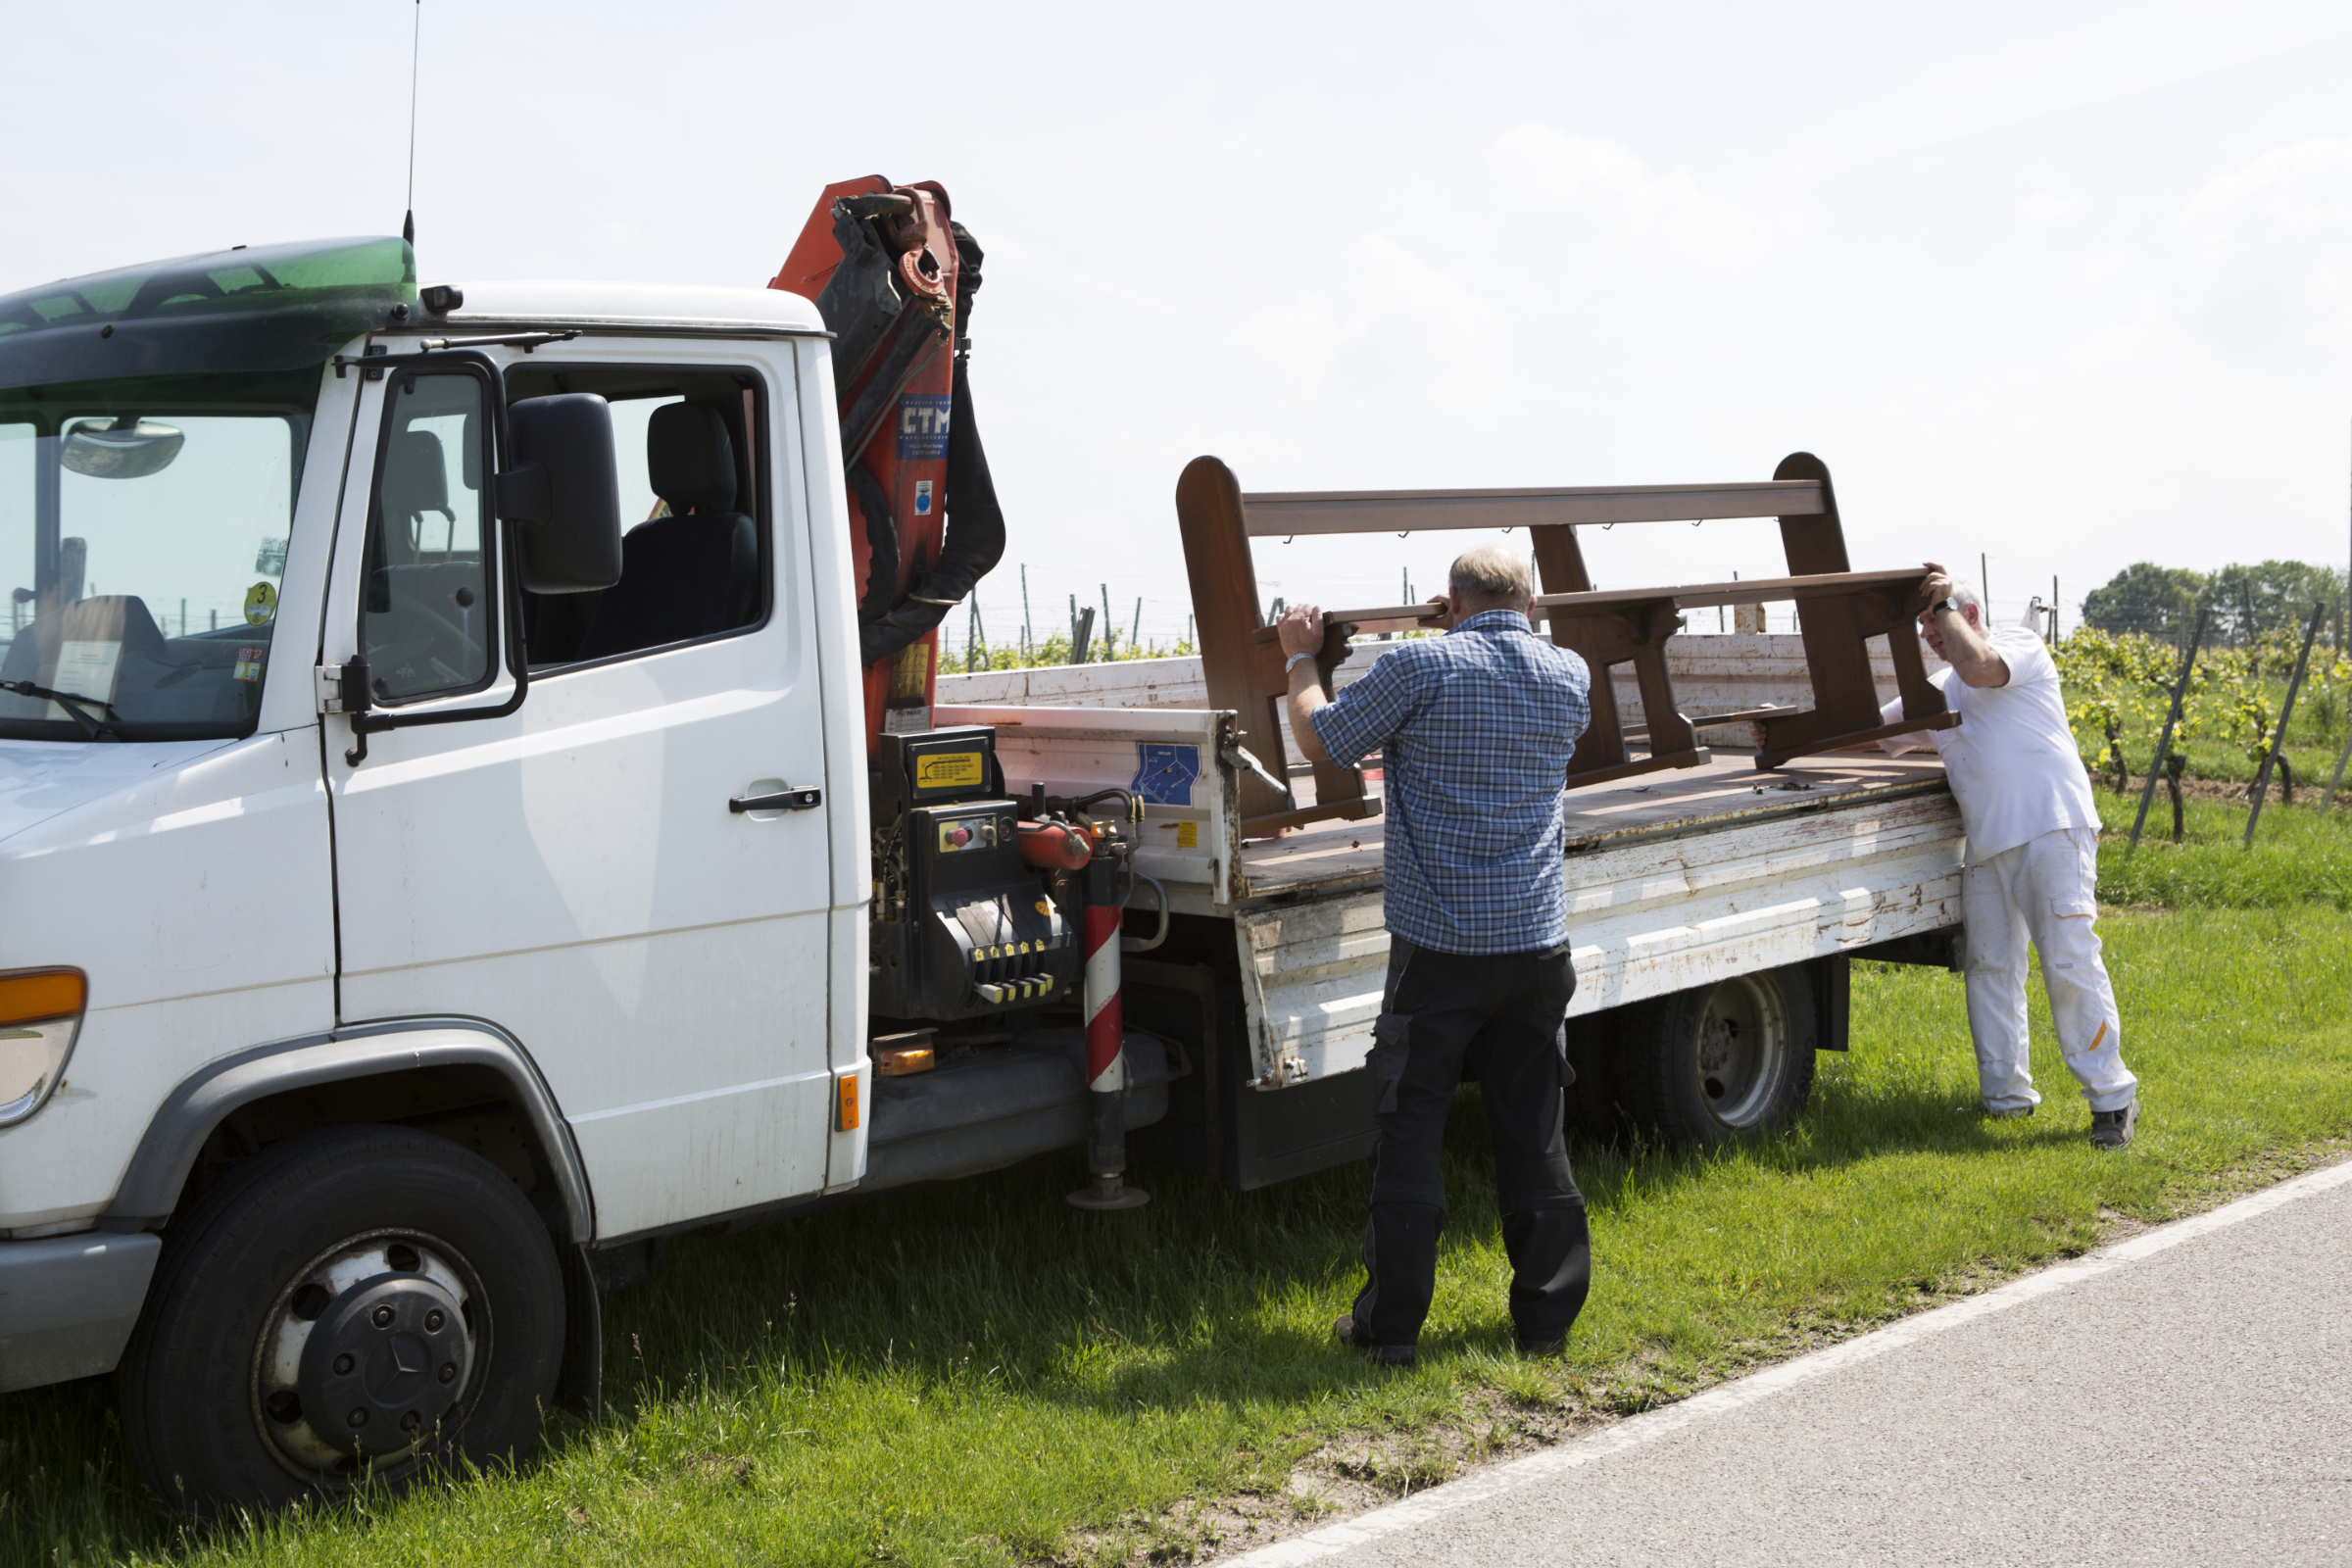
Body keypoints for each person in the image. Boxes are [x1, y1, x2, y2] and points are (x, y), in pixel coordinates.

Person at [1275, 544, 1592, 1366]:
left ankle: (1391, 1331)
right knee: (1533, 1132)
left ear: (1448, 602)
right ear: (1530, 604)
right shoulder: (1571, 675)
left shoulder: (1423, 667)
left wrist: (1302, 658)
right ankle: (1546, 1324)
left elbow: (1325, 742)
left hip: (1440, 953)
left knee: (1409, 1131)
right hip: (1536, 945)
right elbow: (1526, 646)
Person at [1759, 565, 2138, 1147]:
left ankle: (2112, 1100)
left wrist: (1946, 607)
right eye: (1923, 625)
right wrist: (1785, 739)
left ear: (1969, 614)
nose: (1929, 634)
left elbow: (1980, 667)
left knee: (2069, 964)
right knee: (1989, 969)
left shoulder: (2018, 647)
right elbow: (1869, 732)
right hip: (1988, 844)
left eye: (1937, 619)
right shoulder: (1938, 689)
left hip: (2051, 828)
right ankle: (2006, 1098)